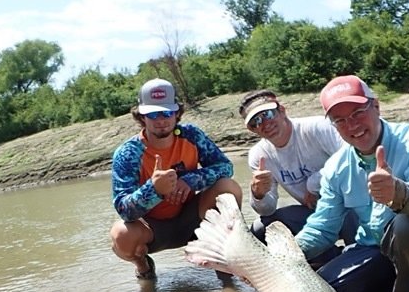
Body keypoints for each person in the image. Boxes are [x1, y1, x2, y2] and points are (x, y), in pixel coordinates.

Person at [293, 74, 409, 292]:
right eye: (340, 120)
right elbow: (323, 227)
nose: (352, 126)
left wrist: (398, 194)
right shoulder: (335, 167)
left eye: (358, 113)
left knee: (406, 224)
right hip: (373, 251)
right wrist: (283, 257)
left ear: (376, 106)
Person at [111, 78, 242, 279]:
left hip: (193, 220)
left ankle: (222, 262)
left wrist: (190, 180)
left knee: (228, 188)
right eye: (153, 114)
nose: (161, 119)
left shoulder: (192, 136)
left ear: (177, 113)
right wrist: (154, 190)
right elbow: (123, 209)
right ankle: (143, 266)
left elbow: (225, 167)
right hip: (152, 229)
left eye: (167, 112)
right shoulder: (128, 153)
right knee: (122, 235)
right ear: (142, 117)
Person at [239, 88, 357, 245]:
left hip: (351, 205)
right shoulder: (258, 155)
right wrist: (258, 194)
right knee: (261, 227)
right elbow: (267, 210)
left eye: (267, 114)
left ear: (282, 110)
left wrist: (314, 184)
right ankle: (325, 259)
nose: (265, 124)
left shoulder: (318, 127)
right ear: (252, 129)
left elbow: (353, 157)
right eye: (256, 122)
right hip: (314, 214)